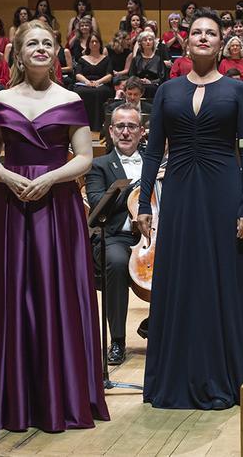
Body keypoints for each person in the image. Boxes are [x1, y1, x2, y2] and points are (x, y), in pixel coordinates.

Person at [0, 21, 108, 431]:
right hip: (10, 205)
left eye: (47, 43)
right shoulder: (1, 97)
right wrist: (8, 177)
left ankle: (59, 396)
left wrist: (49, 178)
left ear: (57, 52)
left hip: (57, 205)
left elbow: (84, 157)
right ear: (18, 54)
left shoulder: (72, 97)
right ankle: (11, 395)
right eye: (32, 44)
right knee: (11, 294)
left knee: (54, 293)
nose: (40, 49)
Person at [133, 9, 243, 410]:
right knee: (181, 277)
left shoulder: (237, 91)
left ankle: (223, 374)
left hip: (223, 189)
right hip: (181, 191)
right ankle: (175, 377)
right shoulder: (168, 91)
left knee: (220, 278)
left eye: (211, 33)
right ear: (186, 42)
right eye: (197, 33)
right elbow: (153, 152)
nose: (203, 38)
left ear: (222, 43)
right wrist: (147, 201)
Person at [87, 105, 147, 365]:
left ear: (141, 131)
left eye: (131, 126)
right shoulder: (99, 165)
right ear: (111, 131)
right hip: (116, 236)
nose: (125, 132)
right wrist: (134, 190)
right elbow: (99, 203)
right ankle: (118, 341)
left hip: (153, 236)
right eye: (120, 126)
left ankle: (155, 326)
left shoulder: (154, 162)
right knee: (117, 263)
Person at [73, 34, 115, 131]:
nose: (94, 43)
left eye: (97, 41)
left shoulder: (106, 59)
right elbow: (78, 74)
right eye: (92, 42)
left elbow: (109, 75)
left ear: (100, 44)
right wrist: (87, 82)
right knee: (80, 92)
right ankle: (81, 125)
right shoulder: (82, 59)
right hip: (85, 83)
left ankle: (98, 126)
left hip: (101, 83)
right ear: (88, 44)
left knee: (100, 92)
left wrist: (98, 82)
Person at [127, 30, 167, 97]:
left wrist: (150, 82)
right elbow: (131, 75)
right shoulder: (136, 59)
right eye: (145, 40)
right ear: (141, 43)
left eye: (150, 40)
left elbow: (162, 78)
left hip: (154, 86)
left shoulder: (159, 59)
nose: (148, 42)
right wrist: (139, 81)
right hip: (138, 86)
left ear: (153, 43)